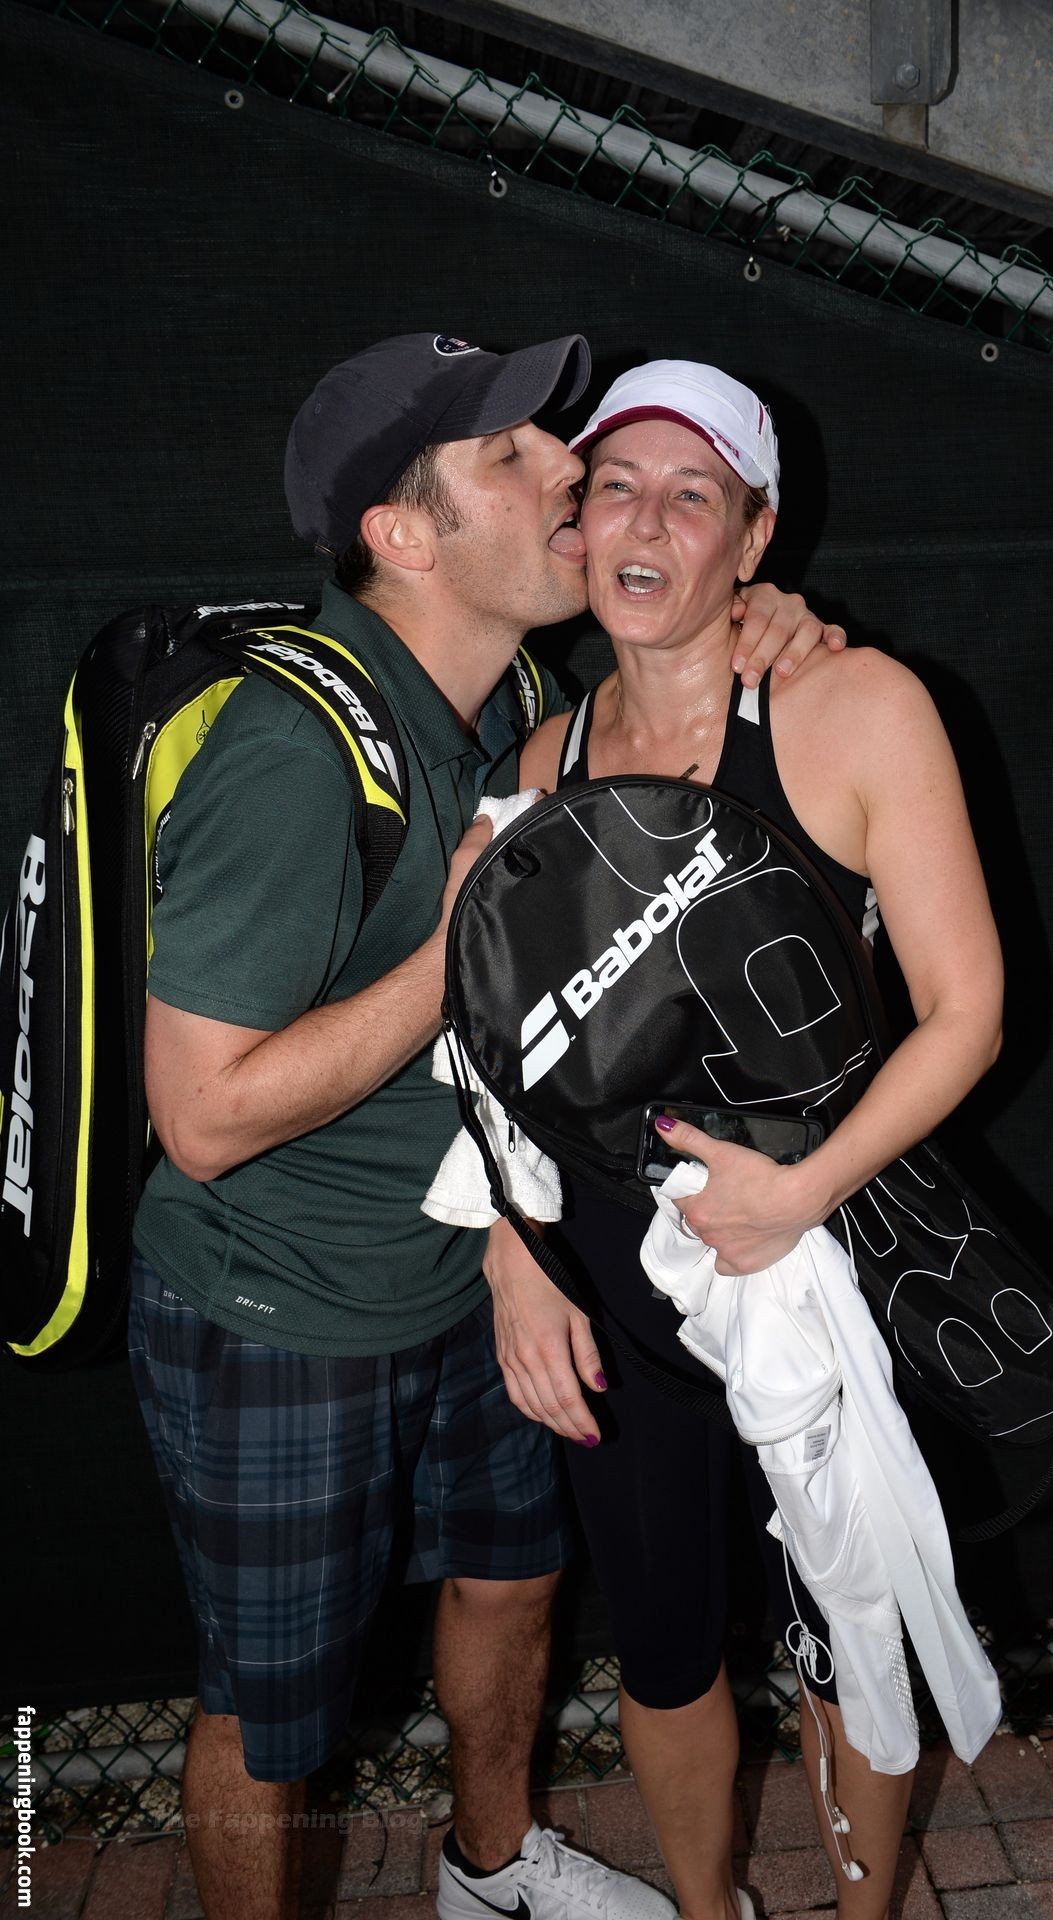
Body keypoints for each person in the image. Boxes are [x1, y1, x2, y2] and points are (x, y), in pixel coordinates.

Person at [127, 330, 843, 1920]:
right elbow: (203, 1119)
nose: (569, 476)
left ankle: (493, 1867)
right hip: (281, 1308)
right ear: (402, 533)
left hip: (475, 1274)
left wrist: (764, 616)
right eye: (512, 460)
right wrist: (455, 940)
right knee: (271, 1717)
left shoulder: (512, 696)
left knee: (514, 1588)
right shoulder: (288, 752)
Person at [486, 361, 1005, 1920]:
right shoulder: (538, 770)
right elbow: (496, 1057)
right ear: (578, 529)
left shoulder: (853, 708)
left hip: (823, 1253)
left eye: (692, 495)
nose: (646, 524)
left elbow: (965, 1012)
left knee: (847, 1630)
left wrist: (803, 1191)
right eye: (616, 490)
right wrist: (514, 1253)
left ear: (753, 537)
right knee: (659, 1641)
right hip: (614, 1282)